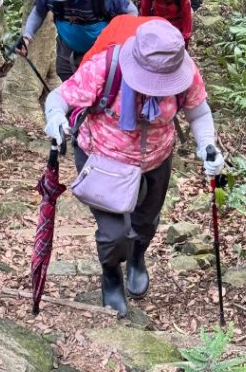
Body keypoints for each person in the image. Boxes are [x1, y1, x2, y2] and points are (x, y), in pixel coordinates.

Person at [44, 20, 225, 315]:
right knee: (114, 232)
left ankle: (138, 256)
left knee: (146, 221)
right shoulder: (106, 66)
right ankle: (112, 274)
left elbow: (199, 112)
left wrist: (208, 147)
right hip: (104, 157)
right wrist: (55, 116)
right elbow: (60, 97)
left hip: (156, 157)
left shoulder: (185, 69)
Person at [17, 0, 136, 81]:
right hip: (67, 45)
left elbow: (131, 12)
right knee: (65, 75)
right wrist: (27, 37)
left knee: (97, 83)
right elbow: (38, 12)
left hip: (101, 50)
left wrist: (121, 44)